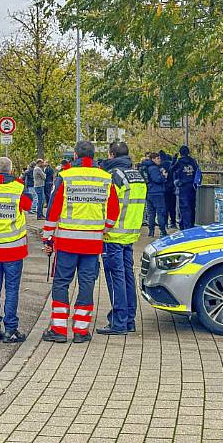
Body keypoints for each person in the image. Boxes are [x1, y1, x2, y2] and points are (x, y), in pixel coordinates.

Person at [41, 140, 119, 344]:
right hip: (92, 243)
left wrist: (48, 236)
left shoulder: (65, 176)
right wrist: (103, 230)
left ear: (75, 155)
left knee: (61, 283)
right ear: (93, 156)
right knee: (86, 284)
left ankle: (59, 329)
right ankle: (81, 331)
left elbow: (53, 209)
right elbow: (113, 212)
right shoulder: (105, 178)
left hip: (67, 242)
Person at [0, 156, 33, 343]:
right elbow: (28, 205)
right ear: (10, 171)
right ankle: (11, 329)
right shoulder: (18, 188)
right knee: (11, 289)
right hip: (13, 248)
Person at [98, 142, 146, 335]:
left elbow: (108, 204)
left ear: (111, 155)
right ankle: (129, 319)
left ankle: (118, 322)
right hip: (131, 233)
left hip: (113, 234)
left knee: (115, 277)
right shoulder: (137, 175)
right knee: (127, 275)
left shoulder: (114, 176)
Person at [172, 145, 201, 229]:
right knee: (192, 207)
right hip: (192, 187)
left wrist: (174, 160)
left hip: (183, 187)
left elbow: (171, 170)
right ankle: (191, 225)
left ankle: (185, 227)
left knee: (184, 207)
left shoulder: (179, 162)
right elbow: (197, 172)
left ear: (180, 153)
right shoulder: (193, 161)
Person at [141, 152, 168, 238]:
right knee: (160, 212)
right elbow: (157, 179)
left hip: (149, 192)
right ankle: (162, 231)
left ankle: (151, 231)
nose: (159, 160)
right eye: (157, 158)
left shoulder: (145, 167)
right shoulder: (153, 168)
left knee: (151, 213)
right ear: (153, 159)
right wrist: (164, 176)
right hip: (157, 192)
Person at [160, 150, 177, 229]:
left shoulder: (160, 165)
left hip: (164, 188)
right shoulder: (171, 164)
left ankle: (165, 223)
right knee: (172, 207)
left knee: (165, 207)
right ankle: (173, 222)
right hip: (172, 188)